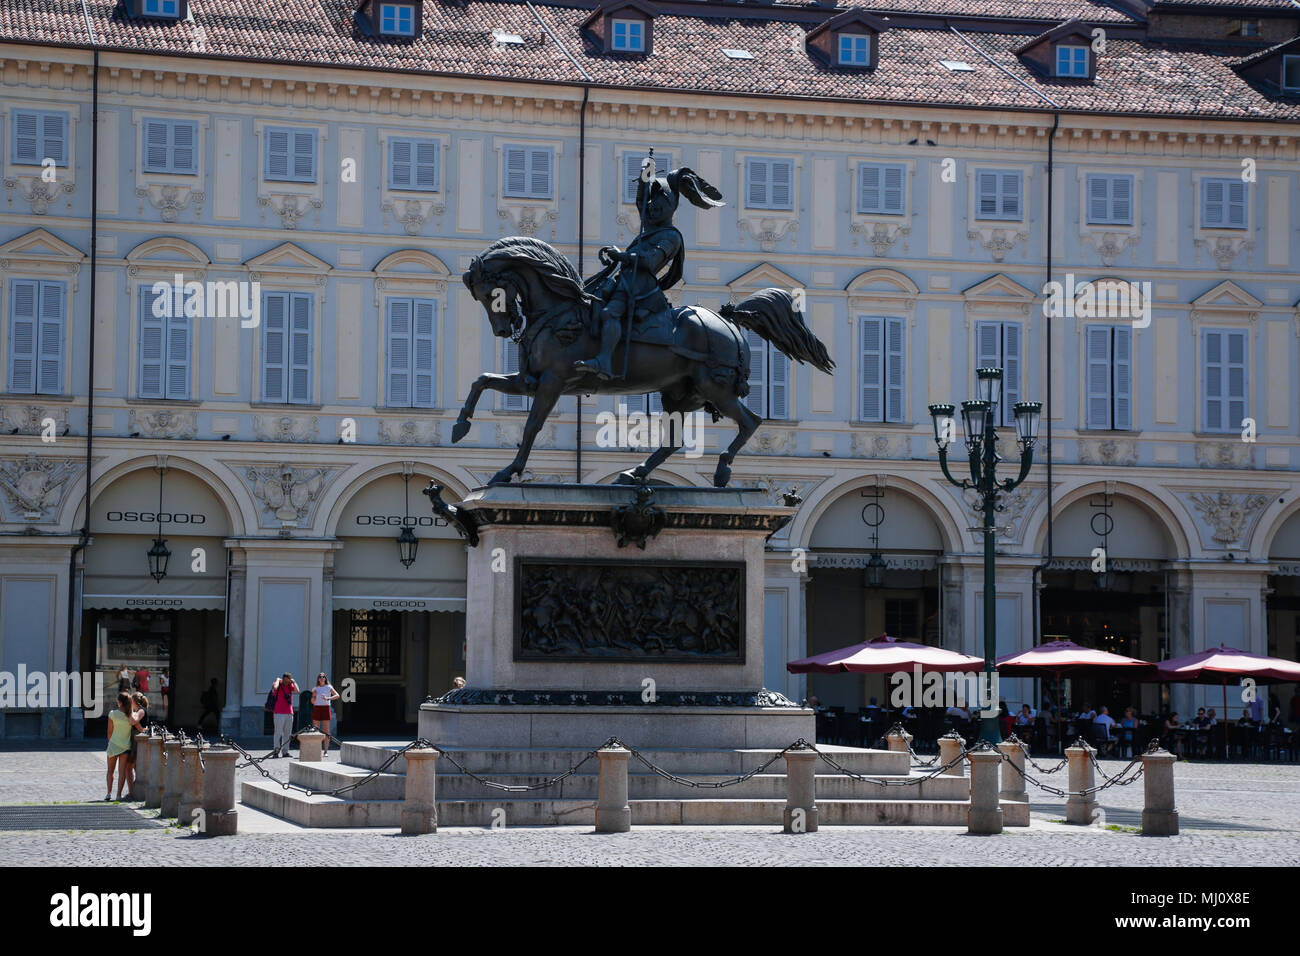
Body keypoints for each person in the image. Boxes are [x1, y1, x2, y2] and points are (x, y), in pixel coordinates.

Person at [575, 151, 723, 381]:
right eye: (651, 206)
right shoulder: (651, 226)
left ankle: (603, 362)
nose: (651, 208)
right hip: (626, 280)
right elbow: (641, 201)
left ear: (669, 208)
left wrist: (621, 256)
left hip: (640, 286)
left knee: (610, 312)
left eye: (657, 206)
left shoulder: (671, 237)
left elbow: (649, 261)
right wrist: (646, 175)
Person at [105, 692, 134, 801]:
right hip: (125, 746)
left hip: (113, 745)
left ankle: (108, 793)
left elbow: (109, 732)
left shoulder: (112, 714)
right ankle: (118, 795)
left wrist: (111, 743)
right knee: (122, 772)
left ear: (120, 702)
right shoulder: (130, 715)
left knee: (110, 771)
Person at [124, 693, 148, 799]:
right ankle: (135, 790)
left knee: (130, 766)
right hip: (134, 740)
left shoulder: (141, 710)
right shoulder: (137, 711)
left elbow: (133, 721)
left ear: (134, 701)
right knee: (134, 766)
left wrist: (129, 713)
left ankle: (133, 792)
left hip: (137, 741)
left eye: (131, 701)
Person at [270, 673, 298, 758]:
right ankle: (276, 751)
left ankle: (285, 751)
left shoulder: (290, 685)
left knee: (287, 733)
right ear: (283, 679)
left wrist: (294, 681)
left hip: (289, 712)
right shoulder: (278, 684)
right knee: (278, 732)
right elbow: (275, 687)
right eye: (285, 681)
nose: (286, 683)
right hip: (279, 712)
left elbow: (297, 691)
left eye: (288, 681)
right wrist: (278, 680)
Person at [310, 673, 340, 756]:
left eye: (323, 677)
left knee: (326, 731)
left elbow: (337, 695)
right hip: (317, 708)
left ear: (325, 678)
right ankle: (317, 750)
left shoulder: (329, 687)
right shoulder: (315, 688)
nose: (322, 678)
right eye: (320, 677)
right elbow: (312, 702)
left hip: (326, 708)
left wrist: (328, 698)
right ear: (318, 679)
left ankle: (326, 751)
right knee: (316, 730)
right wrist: (314, 696)